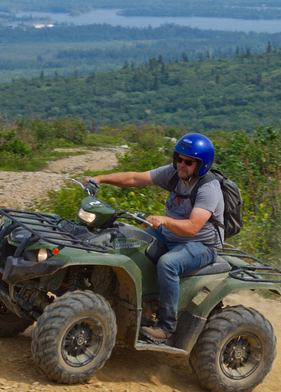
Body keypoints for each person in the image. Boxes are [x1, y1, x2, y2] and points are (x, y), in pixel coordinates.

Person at [83, 133, 224, 343]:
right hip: (169, 235)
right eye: (178, 158)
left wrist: (164, 220)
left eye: (188, 161)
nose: (181, 164)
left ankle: (167, 327)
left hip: (200, 245)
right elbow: (134, 178)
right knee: (124, 241)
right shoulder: (175, 173)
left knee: (168, 264)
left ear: (202, 165)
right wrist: (100, 179)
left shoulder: (208, 188)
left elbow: (193, 227)